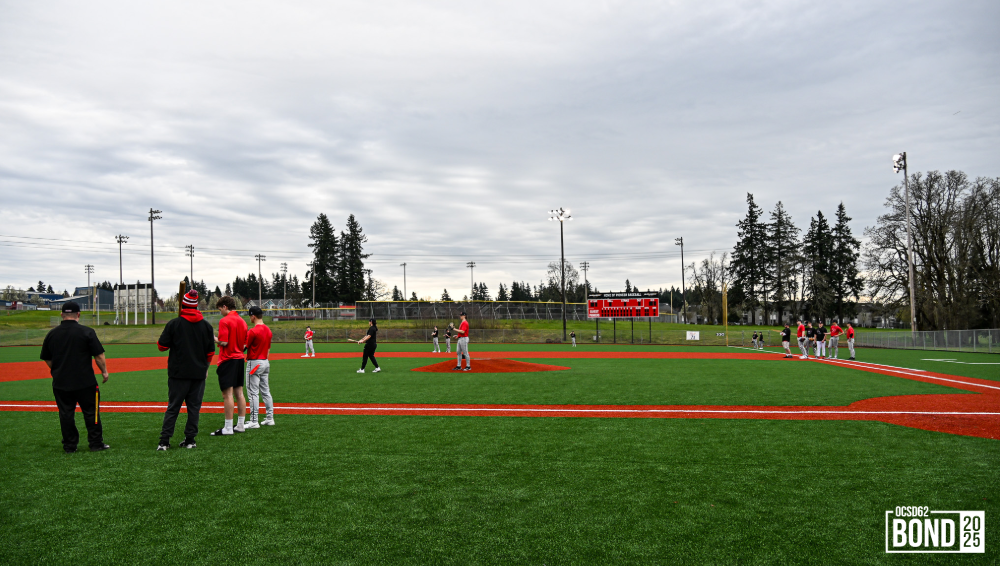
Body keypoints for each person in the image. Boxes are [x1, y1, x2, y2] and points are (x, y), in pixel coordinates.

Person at [40, 301, 110, 453]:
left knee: (66, 413)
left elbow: (47, 358)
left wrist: (58, 369)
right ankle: (96, 443)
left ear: (62, 315)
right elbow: (99, 356)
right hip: (85, 381)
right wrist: (104, 371)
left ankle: (70, 446)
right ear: (78, 314)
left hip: (61, 382)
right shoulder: (87, 332)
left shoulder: (52, 334)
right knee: (92, 412)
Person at [156, 290, 215, 450]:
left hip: (178, 374)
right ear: (196, 307)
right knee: (194, 408)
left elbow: (161, 346)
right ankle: (190, 439)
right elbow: (210, 352)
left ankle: (164, 441)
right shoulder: (206, 326)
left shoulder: (174, 324)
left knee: (173, 407)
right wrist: (206, 368)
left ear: (182, 305)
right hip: (198, 373)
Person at [211, 296, 248, 436]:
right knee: (239, 393)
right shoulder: (243, 322)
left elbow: (224, 342)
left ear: (225, 307)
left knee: (227, 394)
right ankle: (240, 425)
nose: (220, 312)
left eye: (220, 309)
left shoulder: (225, 321)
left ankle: (227, 427)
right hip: (239, 359)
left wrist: (213, 338)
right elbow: (245, 344)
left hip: (227, 359)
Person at [244, 306, 275, 428]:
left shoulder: (252, 331)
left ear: (253, 316)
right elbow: (268, 349)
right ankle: (269, 418)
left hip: (254, 362)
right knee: (266, 391)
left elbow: (243, 347)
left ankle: (254, 420)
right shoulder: (268, 330)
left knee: (252, 392)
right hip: (265, 361)